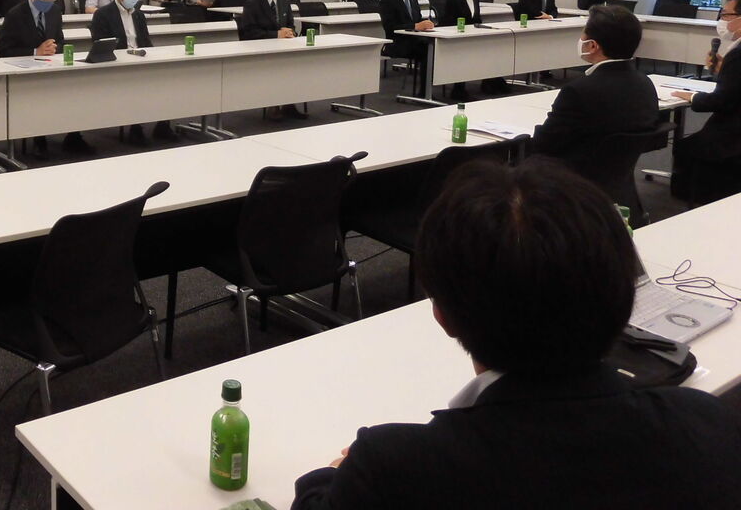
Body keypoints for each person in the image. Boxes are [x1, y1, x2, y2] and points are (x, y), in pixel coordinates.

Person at [292, 158, 741, 510]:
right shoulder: (707, 423)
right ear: (623, 297)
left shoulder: (395, 466)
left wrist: (331, 476)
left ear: (441, 313)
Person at [531, 5, 659, 175]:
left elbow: (543, 144)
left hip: (572, 180)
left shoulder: (578, 91)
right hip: (618, 180)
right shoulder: (646, 84)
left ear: (592, 46)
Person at [0, 0, 92, 157]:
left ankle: (74, 135)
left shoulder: (54, 11)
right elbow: (4, 52)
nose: (49, 2)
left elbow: (60, 40)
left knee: (76, 89)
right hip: (25, 73)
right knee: (40, 95)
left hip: (52, 66)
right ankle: (38, 139)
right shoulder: (15, 15)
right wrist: (35, 52)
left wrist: (55, 48)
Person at [89, 0, 178, 144]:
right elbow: (101, 46)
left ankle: (163, 124)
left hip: (141, 61)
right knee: (137, 83)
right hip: (118, 65)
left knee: (167, 77)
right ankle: (136, 128)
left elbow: (146, 42)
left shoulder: (138, 14)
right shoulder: (103, 14)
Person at [671, 0, 741, 202]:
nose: (722, 20)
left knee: (685, 147)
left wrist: (693, 97)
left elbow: (722, 101)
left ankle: (694, 201)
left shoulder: (738, 54)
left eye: (726, 15)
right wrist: (722, 71)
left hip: (731, 136)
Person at [239, 0, 306, 120]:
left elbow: (290, 24)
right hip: (261, 50)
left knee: (297, 65)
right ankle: (273, 105)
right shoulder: (252, 2)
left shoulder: (284, 0)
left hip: (284, 48)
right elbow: (248, 32)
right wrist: (276, 34)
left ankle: (289, 104)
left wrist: (290, 32)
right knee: (276, 68)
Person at [439, 0, 502, 100]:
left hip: (471, 34)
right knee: (465, 52)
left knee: (492, 47)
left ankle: (490, 82)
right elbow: (448, 21)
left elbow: (476, 18)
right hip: (457, 36)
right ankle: (458, 89)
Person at [380, 0, 433, 97]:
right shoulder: (388, 0)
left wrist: (425, 25)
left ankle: (429, 88)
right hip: (397, 43)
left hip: (414, 40)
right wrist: (415, 26)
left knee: (434, 47)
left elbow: (417, 20)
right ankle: (424, 92)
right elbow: (390, 27)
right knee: (427, 50)